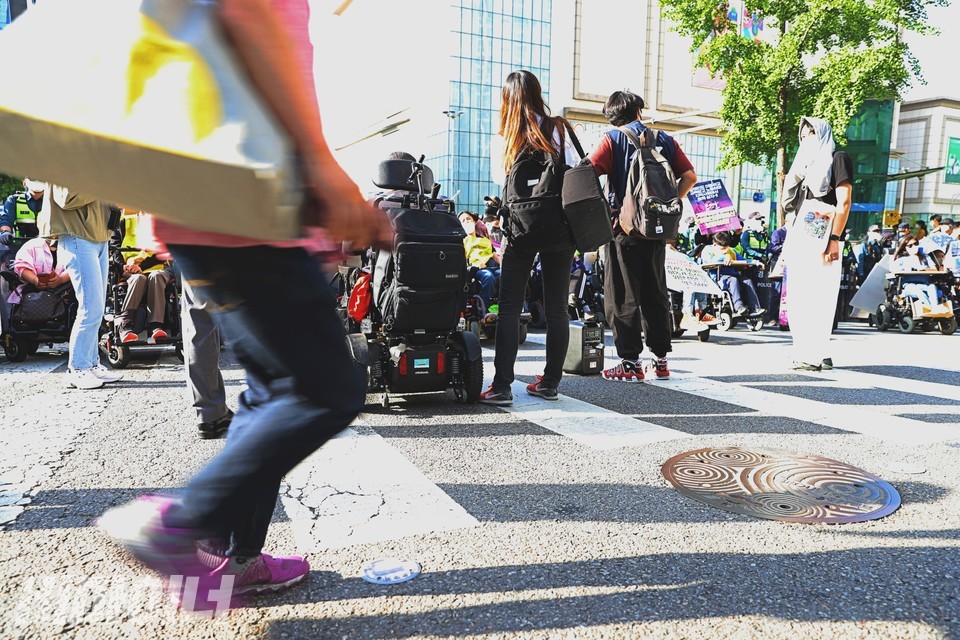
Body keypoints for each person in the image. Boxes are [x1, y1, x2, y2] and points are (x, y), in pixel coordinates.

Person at [100, 0, 392, 609]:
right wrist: (326, 176)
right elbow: (255, 32)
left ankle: (238, 560)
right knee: (324, 390)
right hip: (246, 198)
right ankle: (179, 523)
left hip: (205, 202)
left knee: (270, 394)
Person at [479, 69, 579, 405]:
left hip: (519, 230)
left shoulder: (503, 136)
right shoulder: (559, 129)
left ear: (507, 99)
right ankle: (550, 383)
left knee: (508, 307)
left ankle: (502, 386)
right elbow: (578, 171)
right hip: (559, 229)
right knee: (556, 310)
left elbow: (499, 179)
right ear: (537, 94)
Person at [588, 90, 697, 382]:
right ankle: (660, 360)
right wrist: (668, 204)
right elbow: (689, 176)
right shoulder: (666, 139)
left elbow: (586, 172)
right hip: (656, 227)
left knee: (623, 293)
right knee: (655, 291)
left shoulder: (612, 140)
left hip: (622, 229)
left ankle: (629, 362)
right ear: (638, 111)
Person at [781, 117, 853, 371]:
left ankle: (810, 355)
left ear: (822, 135)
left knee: (819, 296)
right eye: (803, 134)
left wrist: (834, 239)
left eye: (811, 133)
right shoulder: (804, 169)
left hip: (826, 239)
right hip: (803, 237)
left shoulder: (838, 158)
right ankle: (816, 351)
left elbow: (844, 203)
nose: (806, 138)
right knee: (801, 296)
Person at [37, 185, 122, 389]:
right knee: (90, 307)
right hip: (78, 238)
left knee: (97, 307)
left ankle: (91, 364)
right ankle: (77, 368)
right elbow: (66, 198)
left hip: (99, 237)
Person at [115, 211, 174, 344]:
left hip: (158, 266)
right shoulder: (122, 220)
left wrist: (141, 266)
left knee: (156, 276)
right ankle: (125, 325)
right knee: (138, 279)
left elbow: (162, 251)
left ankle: (156, 326)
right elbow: (114, 250)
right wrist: (123, 267)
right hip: (130, 269)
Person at [700, 230, 764, 317]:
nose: (725, 251)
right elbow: (708, 262)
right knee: (732, 280)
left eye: (726, 248)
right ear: (715, 244)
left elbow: (743, 260)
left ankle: (755, 308)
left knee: (747, 281)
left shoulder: (731, 251)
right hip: (718, 277)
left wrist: (756, 262)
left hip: (733, 274)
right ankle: (739, 307)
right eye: (722, 249)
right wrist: (724, 257)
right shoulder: (708, 250)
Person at [6, 236, 69, 305]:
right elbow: (22, 267)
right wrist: (35, 280)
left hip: (64, 292)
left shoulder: (72, 246)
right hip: (34, 294)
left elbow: (77, 269)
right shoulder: (32, 245)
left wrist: (62, 279)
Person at [459, 210, 499, 308]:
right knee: (488, 277)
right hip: (474, 269)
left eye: (468, 219)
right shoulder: (461, 241)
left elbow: (496, 257)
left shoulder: (485, 240)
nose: (467, 222)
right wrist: (475, 265)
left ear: (475, 222)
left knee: (504, 275)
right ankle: (483, 307)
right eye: (463, 221)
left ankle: (504, 306)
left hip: (491, 266)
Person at [892, 234, 944, 308]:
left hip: (925, 283)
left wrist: (924, 269)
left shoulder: (925, 257)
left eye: (915, 244)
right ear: (905, 248)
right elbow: (893, 270)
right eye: (910, 246)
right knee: (918, 291)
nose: (914, 247)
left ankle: (935, 308)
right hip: (909, 285)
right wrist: (906, 269)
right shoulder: (902, 259)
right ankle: (930, 309)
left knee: (932, 287)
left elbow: (934, 269)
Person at [1, 178, 44, 245]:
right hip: (19, 246)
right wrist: (5, 232)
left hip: (46, 246)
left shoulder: (53, 202)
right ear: (24, 182)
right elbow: (6, 219)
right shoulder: (14, 200)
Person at [765, 222, 787, 325]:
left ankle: (784, 318)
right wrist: (785, 246)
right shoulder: (778, 233)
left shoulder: (795, 233)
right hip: (779, 265)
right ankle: (772, 318)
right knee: (776, 293)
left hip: (791, 264)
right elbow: (772, 247)